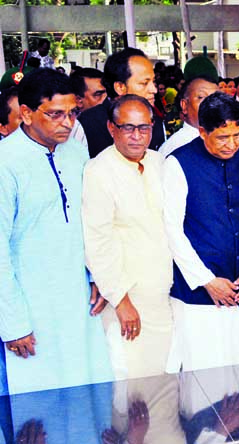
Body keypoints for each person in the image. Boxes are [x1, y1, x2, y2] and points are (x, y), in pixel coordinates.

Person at [0, 68, 112, 394]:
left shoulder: (76, 152)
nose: (67, 123)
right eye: (55, 114)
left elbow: (91, 223)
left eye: (72, 113)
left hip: (80, 300)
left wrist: (97, 276)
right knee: (41, 411)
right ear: (26, 114)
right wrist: (13, 323)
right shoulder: (6, 162)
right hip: (32, 308)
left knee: (91, 396)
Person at [163, 92, 239, 371]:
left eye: (237, 135)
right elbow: (171, 229)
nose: (231, 144)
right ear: (202, 131)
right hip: (197, 292)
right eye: (222, 137)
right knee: (205, 376)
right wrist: (206, 280)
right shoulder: (178, 163)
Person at [82, 95, 172, 380]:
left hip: (165, 293)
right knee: (133, 387)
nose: (137, 136)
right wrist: (121, 301)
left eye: (144, 128)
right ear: (111, 128)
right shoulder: (99, 171)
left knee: (165, 382)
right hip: (129, 298)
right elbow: (98, 241)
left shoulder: (160, 163)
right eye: (127, 128)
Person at [78, 47, 165, 158]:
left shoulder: (155, 121)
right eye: (144, 83)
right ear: (120, 87)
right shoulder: (86, 124)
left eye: (153, 82)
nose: (154, 90)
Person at [158, 75, 239, 158]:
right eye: (201, 97)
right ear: (184, 105)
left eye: (216, 97)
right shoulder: (173, 147)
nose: (211, 104)